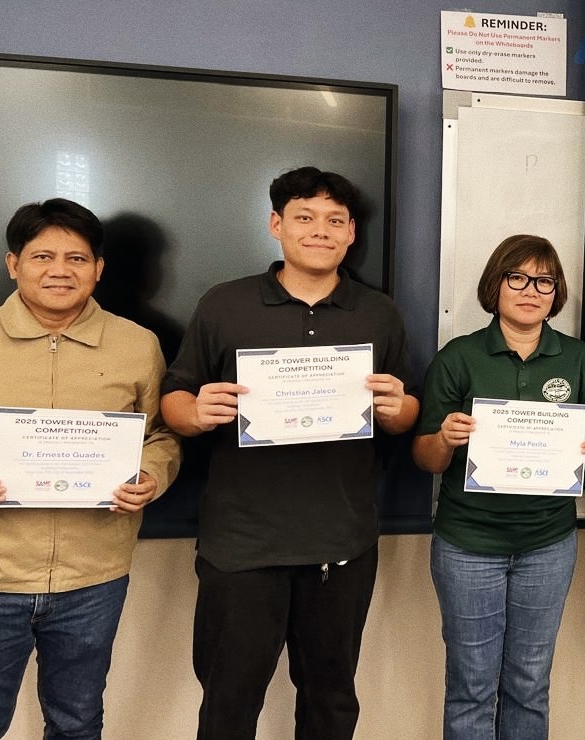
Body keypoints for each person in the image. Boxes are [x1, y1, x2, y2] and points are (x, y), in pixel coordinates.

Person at [160, 166, 419, 740]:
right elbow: (174, 399)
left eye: (334, 221)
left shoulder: (378, 313)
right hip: (242, 544)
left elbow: (406, 413)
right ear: (277, 225)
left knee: (330, 704)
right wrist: (194, 412)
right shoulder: (224, 304)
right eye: (304, 218)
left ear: (352, 233)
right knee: (228, 704)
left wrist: (399, 408)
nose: (319, 231)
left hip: (341, 541)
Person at [0, 198, 181, 739]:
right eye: (42, 256)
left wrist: (150, 475)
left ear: (98, 269)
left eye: (77, 259)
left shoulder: (138, 343)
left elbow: (160, 434)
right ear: (13, 264)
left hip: (93, 576)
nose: (59, 270)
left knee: (76, 721)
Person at [412, 234, 585, 740]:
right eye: (516, 278)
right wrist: (445, 437)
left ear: (556, 290)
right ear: (495, 285)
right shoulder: (458, 357)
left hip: (547, 545)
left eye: (544, 280)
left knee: (529, 684)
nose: (530, 290)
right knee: (472, 686)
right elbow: (424, 457)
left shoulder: (578, 358)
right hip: (468, 546)